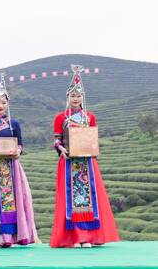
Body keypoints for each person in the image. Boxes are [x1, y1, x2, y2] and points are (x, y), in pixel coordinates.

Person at [50, 65, 119, 247]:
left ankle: (87, 236)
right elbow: (56, 140)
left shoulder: (90, 117)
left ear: (83, 97)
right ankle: (74, 237)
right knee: (70, 200)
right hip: (68, 162)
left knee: (90, 199)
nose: (75, 98)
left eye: (78, 96)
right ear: (68, 97)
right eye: (72, 95)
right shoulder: (60, 118)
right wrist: (61, 149)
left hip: (87, 163)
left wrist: (92, 149)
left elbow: (92, 138)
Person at [0, 75, 39, 247]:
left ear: (8, 104)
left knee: (12, 201)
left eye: (3, 103)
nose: (0, 106)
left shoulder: (14, 124)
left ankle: (10, 237)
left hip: (10, 167)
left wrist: (18, 152)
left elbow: (20, 144)